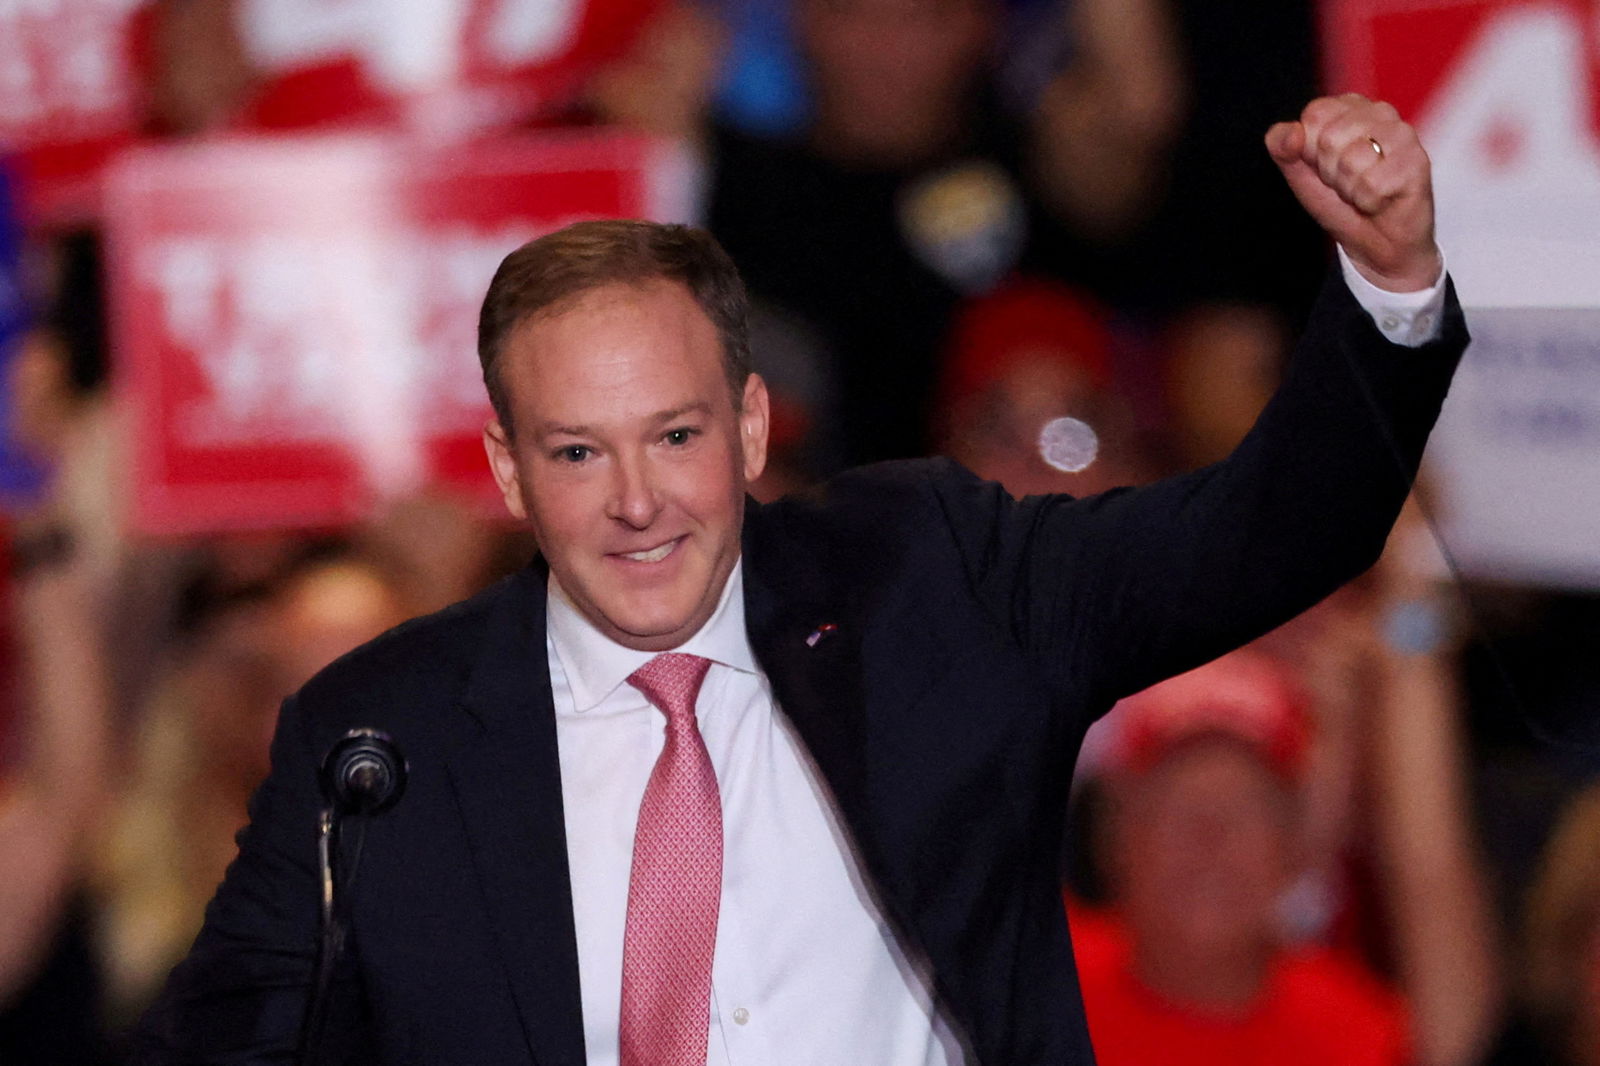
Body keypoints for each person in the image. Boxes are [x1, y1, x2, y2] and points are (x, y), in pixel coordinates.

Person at [133, 94, 1467, 1064]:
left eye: (676, 434)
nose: (640, 498)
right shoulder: (383, 736)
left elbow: (1266, 535)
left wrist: (1390, 284)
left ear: (754, 427)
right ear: (507, 471)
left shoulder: (935, 585)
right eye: (579, 451)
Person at [1071, 651, 1411, 1066]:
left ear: (1293, 844)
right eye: (1178, 805)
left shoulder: (1366, 1039)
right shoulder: (1024, 985)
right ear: (1115, 835)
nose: (1210, 838)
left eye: (1246, 808)